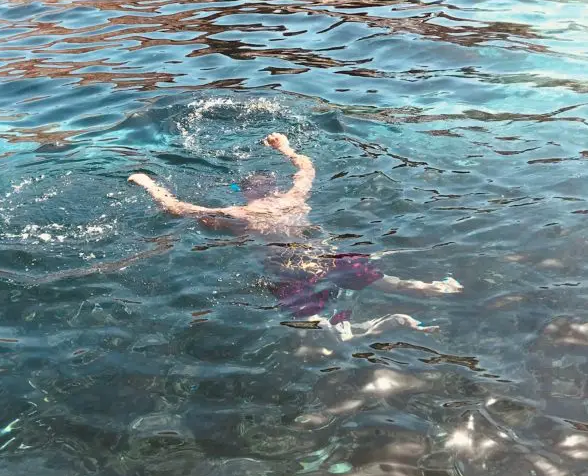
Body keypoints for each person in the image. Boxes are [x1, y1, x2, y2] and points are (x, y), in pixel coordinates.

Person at [129, 133, 462, 337]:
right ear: (273, 186)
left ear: (244, 192)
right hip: (326, 258)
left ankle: (375, 326)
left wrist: (148, 184)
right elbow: (307, 168)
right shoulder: (294, 198)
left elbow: (179, 209)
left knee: (316, 327)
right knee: (389, 283)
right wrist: (285, 148)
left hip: (287, 270)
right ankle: (436, 291)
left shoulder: (239, 215)